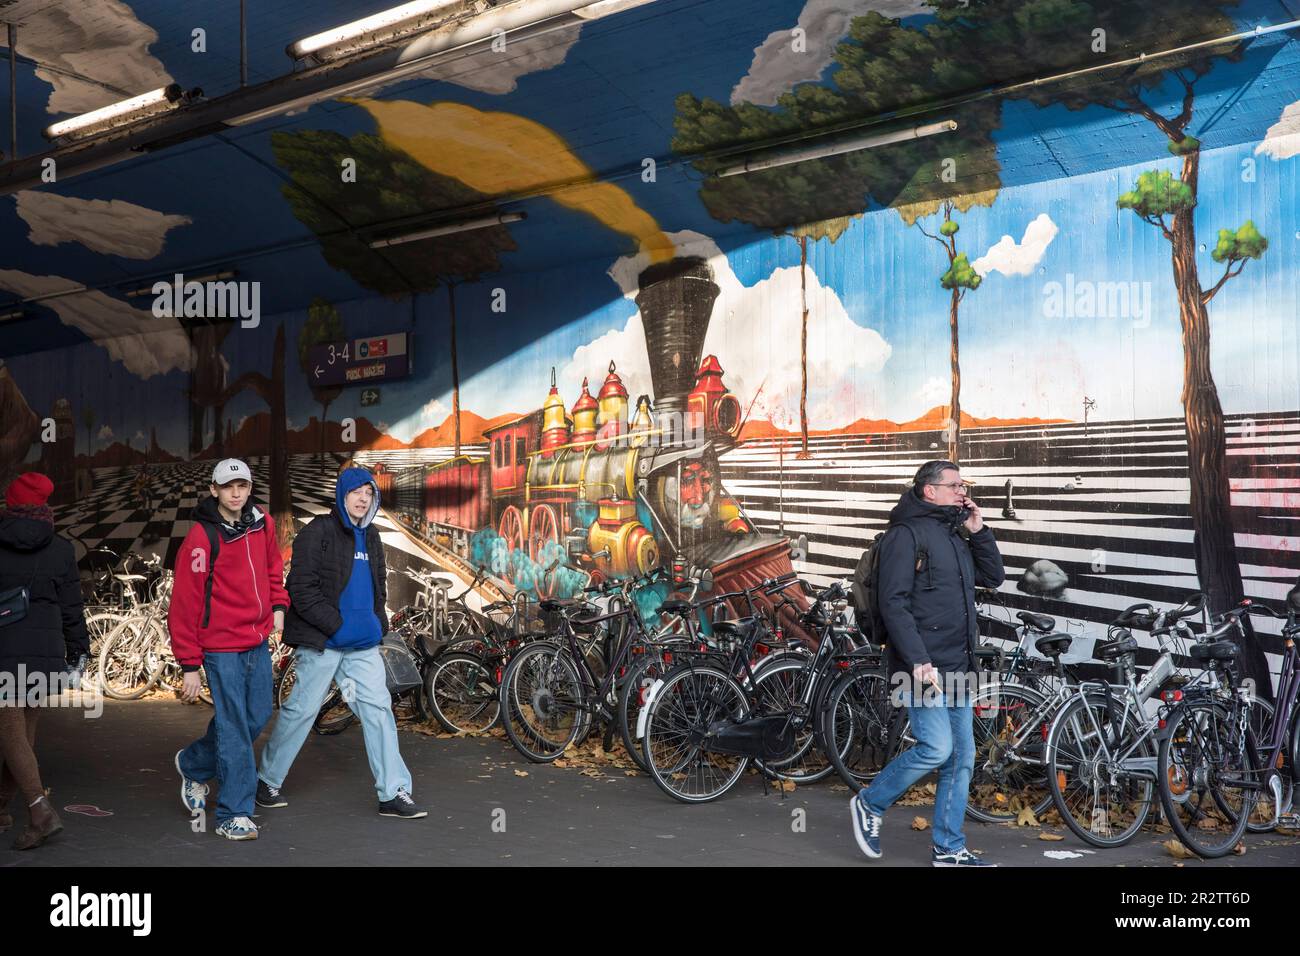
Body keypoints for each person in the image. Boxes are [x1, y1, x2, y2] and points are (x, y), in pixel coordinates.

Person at [849, 460, 1005, 867]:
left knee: (962, 757)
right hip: (920, 663)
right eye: (953, 485)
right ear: (928, 490)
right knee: (937, 747)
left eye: (963, 484)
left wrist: (979, 530)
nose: (961, 491)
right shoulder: (905, 534)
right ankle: (870, 802)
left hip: (958, 662)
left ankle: (949, 848)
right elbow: (893, 602)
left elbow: (995, 576)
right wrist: (918, 659)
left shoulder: (955, 530)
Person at [256, 466, 425, 819]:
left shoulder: (373, 536)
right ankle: (266, 780)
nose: (363, 498)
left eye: (369, 493)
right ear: (342, 495)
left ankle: (393, 793)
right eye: (356, 492)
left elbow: (379, 583)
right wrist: (336, 625)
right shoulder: (318, 532)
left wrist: (377, 622)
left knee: (379, 713)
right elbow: (300, 589)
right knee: (301, 711)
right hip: (325, 643)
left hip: (362, 647)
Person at [168, 459, 288, 841]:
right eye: (228, 486)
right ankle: (234, 813)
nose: (236, 493)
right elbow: (184, 603)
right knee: (235, 726)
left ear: (249, 488)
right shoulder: (202, 539)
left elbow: (272, 569)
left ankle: (193, 764)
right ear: (214, 491)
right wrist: (189, 663)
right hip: (219, 647)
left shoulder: (263, 524)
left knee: (257, 715)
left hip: (256, 640)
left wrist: (279, 607)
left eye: (242, 485)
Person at [0, 471, 89, 850]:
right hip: (46, 653)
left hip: (4, 649)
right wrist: (79, 651)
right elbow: (73, 607)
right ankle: (2, 807)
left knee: (9, 732)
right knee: (23, 733)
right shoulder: (61, 549)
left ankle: (39, 810)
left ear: (10, 505)